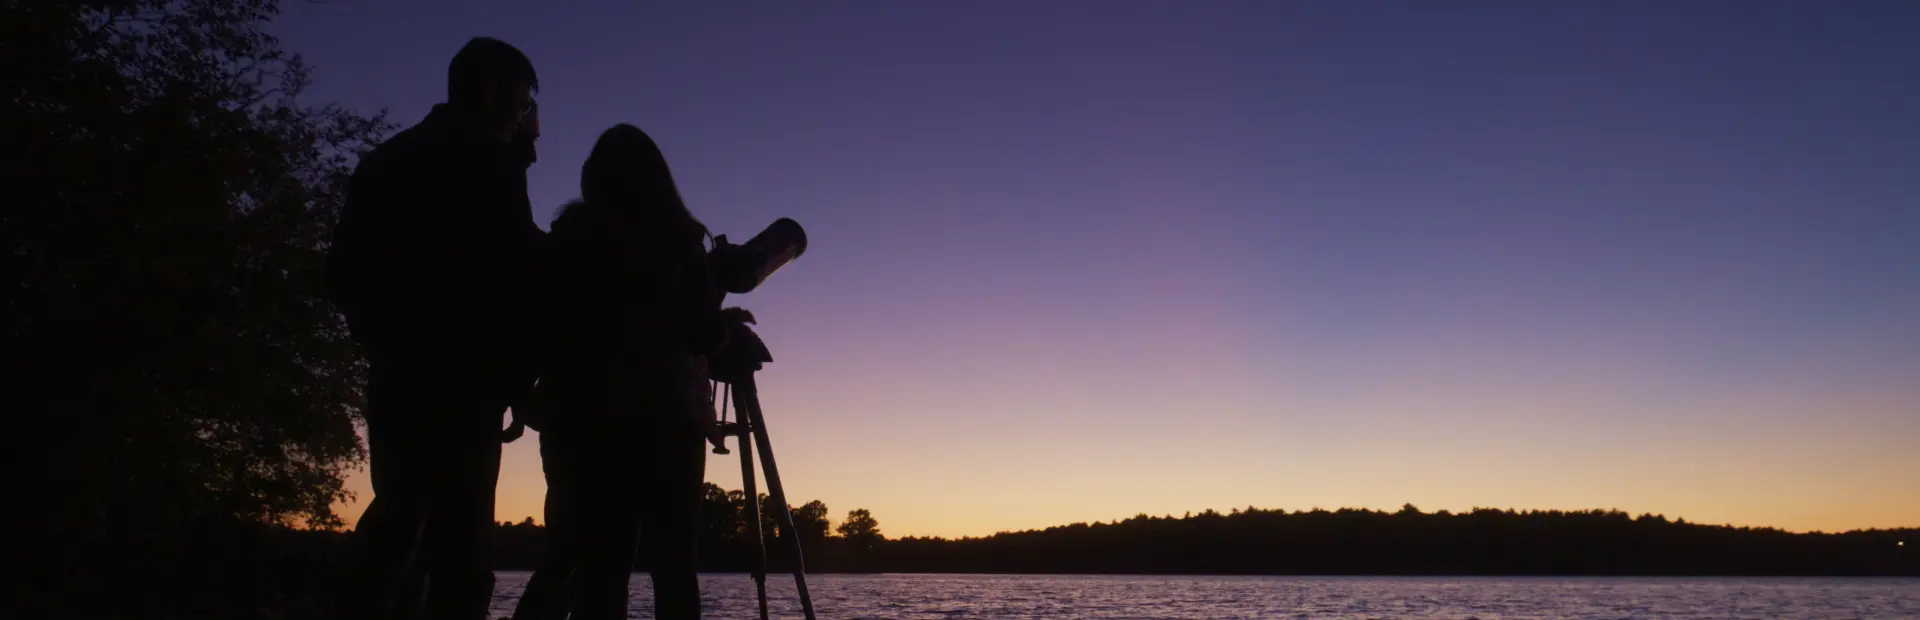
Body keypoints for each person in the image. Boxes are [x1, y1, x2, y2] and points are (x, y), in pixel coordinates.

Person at [324, 36, 544, 620]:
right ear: (492, 92)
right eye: (522, 106)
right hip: (466, 386)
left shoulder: (385, 161)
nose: (525, 121)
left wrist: (385, 345)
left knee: (396, 522)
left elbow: (343, 275)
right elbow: (514, 274)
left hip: (396, 376)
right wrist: (519, 380)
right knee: (461, 551)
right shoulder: (490, 161)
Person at [512, 124, 738, 620]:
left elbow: (539, 325)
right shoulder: (680, 241)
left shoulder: (568, 239)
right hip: (666, 422)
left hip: (581, 424)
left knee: (601, 571)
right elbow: (702, 335)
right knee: (675, 568)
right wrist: (722, 326)